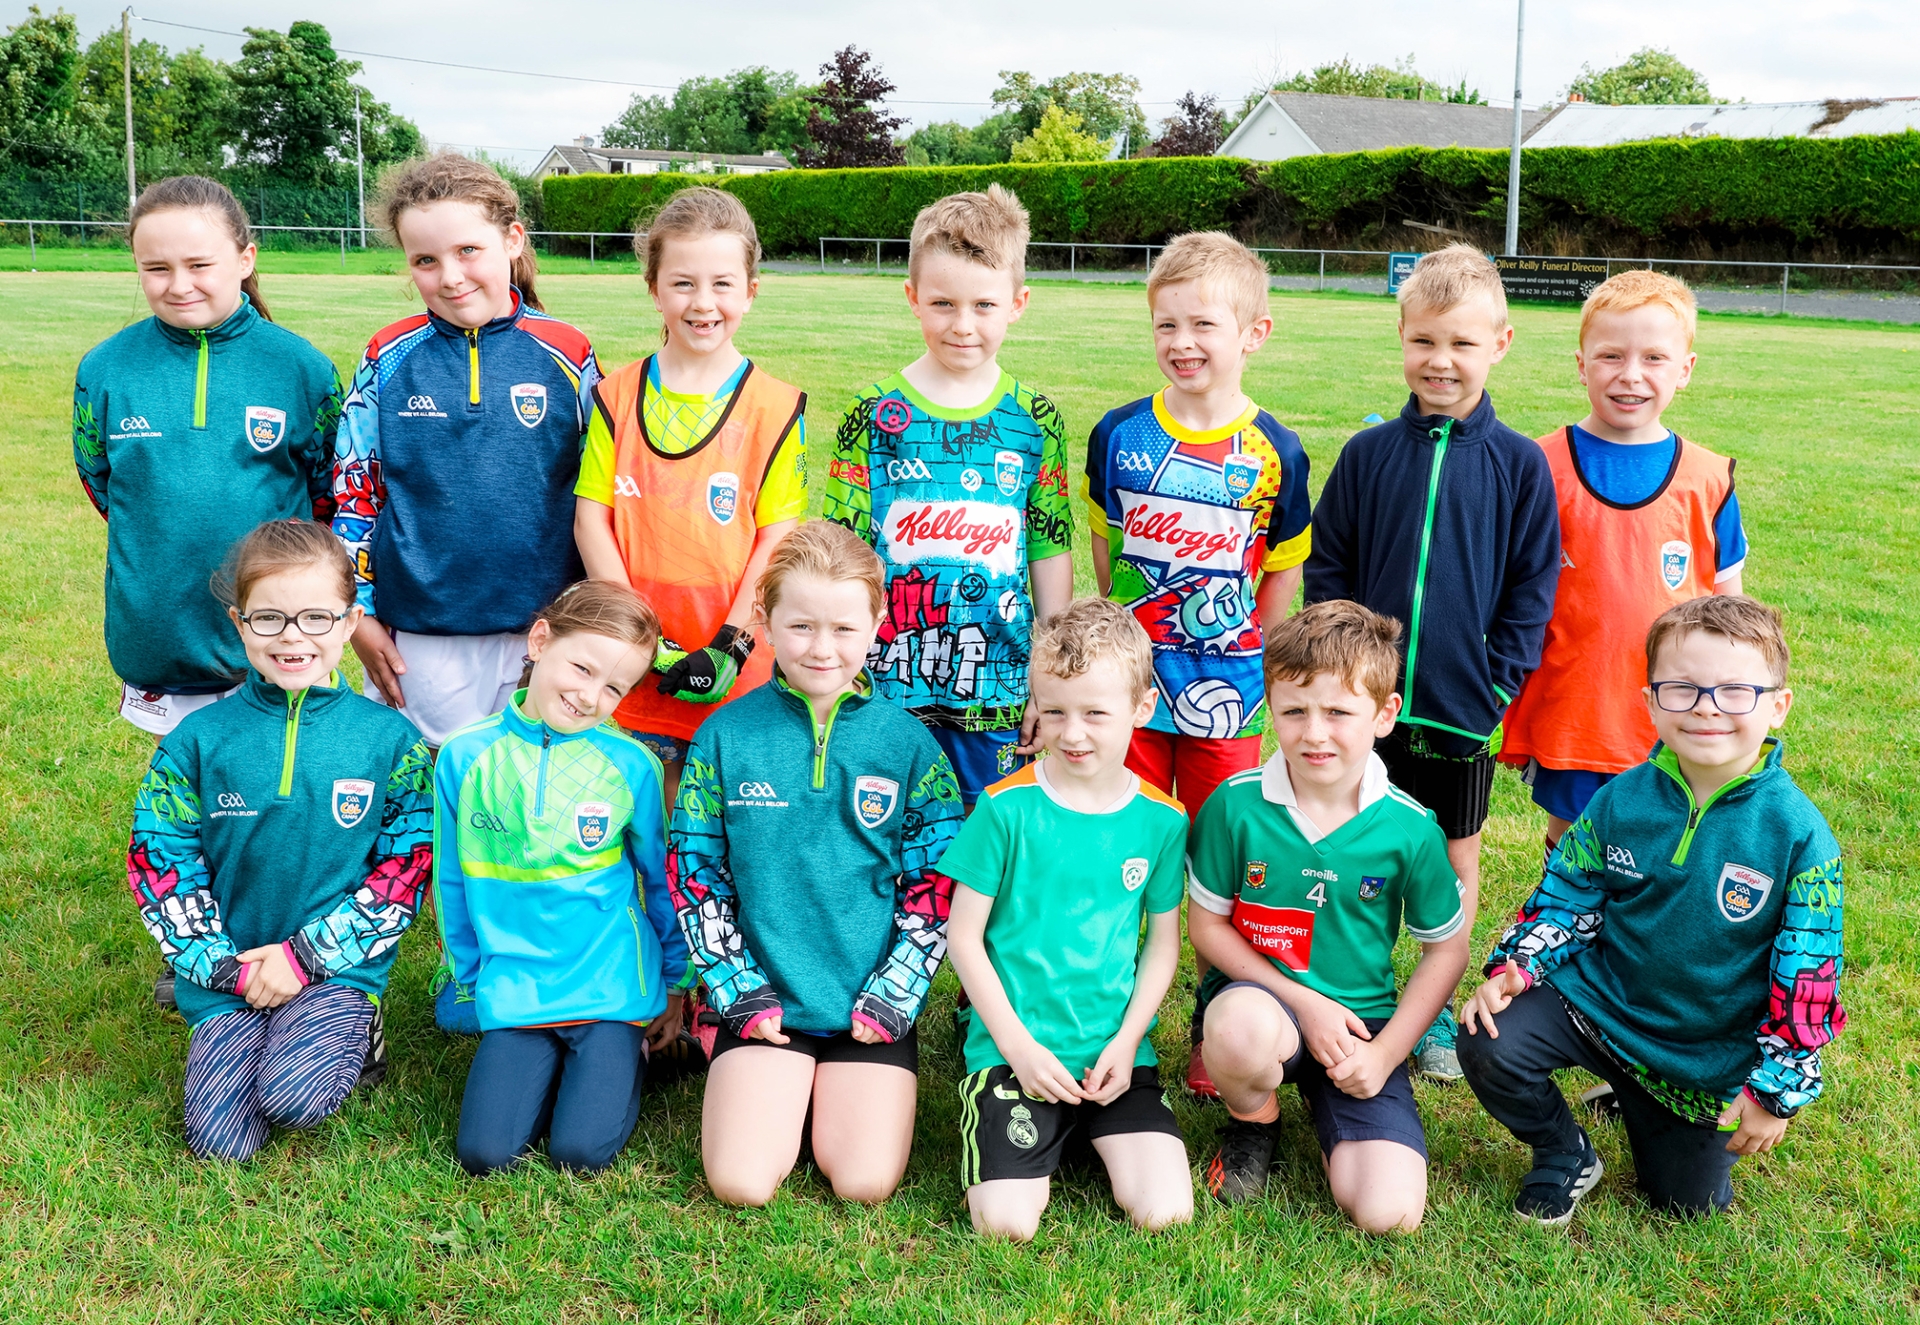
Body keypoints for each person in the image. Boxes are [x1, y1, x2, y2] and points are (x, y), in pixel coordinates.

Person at [1459, 595, 1844, 1224]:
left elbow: (1808, 978)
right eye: (1682, 689)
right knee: (1488, 1038)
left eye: (1734, 692)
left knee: (1686, 1206)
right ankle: (1565, 1150)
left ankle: (1641, 1097)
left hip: (1701, 1056)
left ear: (1778, 705)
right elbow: (1568, 896)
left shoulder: (1799, 837)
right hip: (1601, 1007)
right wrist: (1520, 965)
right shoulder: (1619, 800)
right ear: (1650, 701)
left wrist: (1777, 1091)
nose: (1706, 708)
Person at [1302, 242, 1560, 1081]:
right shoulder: (1369, 453)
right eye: (1423, 342)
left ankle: (1434, 1013)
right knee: (1348, 845)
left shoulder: (1519, 465)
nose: (1440, 361)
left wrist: (1493, 684)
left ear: (1501, 343)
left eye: (1461, 343)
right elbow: (1328, 563)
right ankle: (1346, 988)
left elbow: (1531, 586)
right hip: (1358, 709)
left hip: (1458, 710)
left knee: (1451, 861)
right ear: (1402, 336)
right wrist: (1337, 674)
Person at [668, 522, 963, 1206]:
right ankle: (775, 1090)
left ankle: (828, 1096)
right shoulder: (724, 735)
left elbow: (936, 888)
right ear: (765, 619)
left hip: (868, 1007)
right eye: (800, 626)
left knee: (862, 1182)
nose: (822, 648)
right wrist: (737, 986)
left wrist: (894, 994)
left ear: (877, 622)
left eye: (842, 628)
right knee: (741, 1182)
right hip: (763, 1003)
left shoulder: (909, 743)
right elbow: (696, 875)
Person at [1083, 230, 1312, 1099]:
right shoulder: (1119, 433)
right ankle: (1104, 1010)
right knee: (1116, 840)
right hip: (1132, 693)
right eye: (1165, 324)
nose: (1183, 342)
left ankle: (1219, 1020)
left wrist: (1273, 673)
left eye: (1204, 324)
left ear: (1254, 332)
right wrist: (1118, 649)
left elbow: (1281, 570)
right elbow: (1107, 552)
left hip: (1228, 696)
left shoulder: (1275, 452)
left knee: (1223, 862)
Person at [125, 520, 432, 1161]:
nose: (293, 637)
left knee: (293, 1097)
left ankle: (356, 1027)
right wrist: (222, 968)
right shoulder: (198, 739)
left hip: (336, 968)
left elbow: (404, 869)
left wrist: (306, 959)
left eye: (317, 617)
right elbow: (161, 862)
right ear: (240, 624)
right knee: (221, 1146)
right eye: (269, 619)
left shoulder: (390, 741)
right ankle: (242, 1027)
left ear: (350, 624)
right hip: (231, 971)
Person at [1187, 602, 1467, 1232]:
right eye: (1294, 711)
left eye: (1339, 712)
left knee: (1388, 1213)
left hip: (1361, 1029)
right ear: (1270, 709)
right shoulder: (1234, 809)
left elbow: (1446, 951)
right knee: (1235, 1029)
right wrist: (1304, 1005)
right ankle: (1253, 1119)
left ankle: (1335, 1107)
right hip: (1260, 1002)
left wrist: (1390, 1052)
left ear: (1385, 714)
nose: (1314, 733)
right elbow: (1206, 926)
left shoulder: (1411, 827)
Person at [943, 599, 1193, 1240]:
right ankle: (1036, 1128)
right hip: (1015, 1051)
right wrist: (1019, 1049)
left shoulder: (1163, 821)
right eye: (1054, 711)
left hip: (1112, 1052)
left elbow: (1163, 945)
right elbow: (962, 937)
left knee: (1166, 1211)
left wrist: (1127, 1041)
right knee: (1005, 1225)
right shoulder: (1004, 810)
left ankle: (1092, 1128)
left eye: (1095, 714)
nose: (1073, 733)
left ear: (1141, 710)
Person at [333, 152, 601, 749]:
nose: (449, 276)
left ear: (512, 240)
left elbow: (598, 490)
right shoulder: (388, 354)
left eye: (467, 251)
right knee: (432, 789)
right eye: (425, 260)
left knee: (525, 785)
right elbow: (356, 492)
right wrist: (362, 615)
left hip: (545, 626)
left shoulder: (567, 352)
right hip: (424, 630)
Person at [823, 185, 1074, 807]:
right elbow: (840, 556)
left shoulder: (1034, 418)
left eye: (983, 305)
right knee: (885, 845)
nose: (963, 325)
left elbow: (1048, 550)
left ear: (1017, 303)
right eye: (942, 303)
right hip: (882, 686)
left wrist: (1050, 679)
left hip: (1000, 692)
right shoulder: (873, 413)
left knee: (986, 858)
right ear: (912, 299)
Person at [433, 581, 689, 1176]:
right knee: (485, 1155)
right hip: (516, 983)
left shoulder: (632, 766)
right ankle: (562, 1068)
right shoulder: (464, 756)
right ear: (541, 639)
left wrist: (676, 982)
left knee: (580, 1153)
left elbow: (662, 881)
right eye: (582, 667)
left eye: (614, 688)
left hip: (609, 986)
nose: (590, 696)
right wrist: (471, 980)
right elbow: (452, 884)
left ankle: (629, 1056)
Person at [74, 176, 343, 741]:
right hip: (158, 629)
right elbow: (102, 483)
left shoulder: (300, 368)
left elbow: (325, 491)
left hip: (275, 630)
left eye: (200, 265)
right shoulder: (105, 369)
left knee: (272, 787)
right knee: (182, 789)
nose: (178, 286)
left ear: (245, 258)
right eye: (156, 269)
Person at [1501, 270, 1747, 856]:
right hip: (1576, 701)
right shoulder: (1539, 464)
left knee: (1668, 833)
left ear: (1685, 369)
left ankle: (1646, 940)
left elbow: (1732, 604)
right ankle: (1561, 928)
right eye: (1611, 355)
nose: (1631, 374)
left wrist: (1742, 686)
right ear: (1582, 364)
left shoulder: (1708, 478)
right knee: (1574, 838)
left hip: (1678, 704)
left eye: (1654, 358)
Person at [575, 188, 807, 800]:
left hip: (735, 666)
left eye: (723, 284)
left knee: (723, 827)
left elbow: (777, 537)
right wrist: (638, 637)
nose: (703, 304)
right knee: (635, 820)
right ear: (653, 288)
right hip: (629, 666)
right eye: (683, 283)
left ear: (751, 290)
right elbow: (591, 520)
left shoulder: (776, 406)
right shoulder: (615, 397)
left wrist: (732, 642)